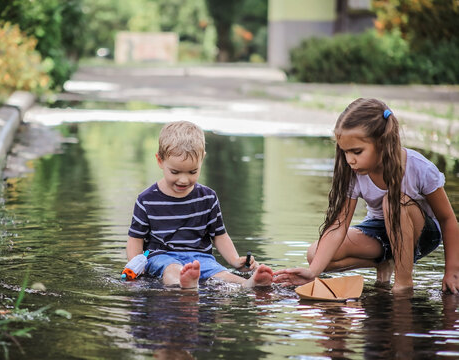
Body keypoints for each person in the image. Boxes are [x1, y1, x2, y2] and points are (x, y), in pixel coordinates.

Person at [273, 98, 459, 294]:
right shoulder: (354, 172)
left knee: (392, 202)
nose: (349, 160)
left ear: (383, 143)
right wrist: (313, 272)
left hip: (421, 233)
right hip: (380, 231)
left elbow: (448, 220)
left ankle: (403, 282)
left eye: (357, 151)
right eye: (345, 152)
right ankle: (386, 261)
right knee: (315, 254)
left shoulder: (419, 168)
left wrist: (452, 271)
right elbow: (339, 225)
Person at [126, 120, 274, 289]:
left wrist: (234, 260)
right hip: (162, 256)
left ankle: (249, 283)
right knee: (172, 270)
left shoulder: (208, 198)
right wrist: (135, 266)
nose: (184, 179)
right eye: (175, 172)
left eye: (192, 172)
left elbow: (219, 235)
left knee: (220, 273)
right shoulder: (146, 200)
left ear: (202, 159)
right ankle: (183, 283)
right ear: (160, 161)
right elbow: (135, 239)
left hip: (200, 257)